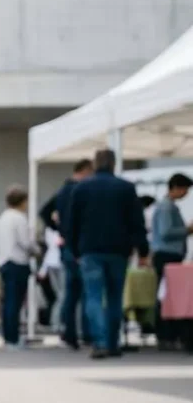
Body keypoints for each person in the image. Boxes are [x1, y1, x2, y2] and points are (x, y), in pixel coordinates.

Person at [67, 149, 149, 359]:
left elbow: (71, 223)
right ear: (113, 164)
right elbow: (137, 222)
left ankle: (100, 342)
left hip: (90, 250)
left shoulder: (81, 188)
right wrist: (143, 250)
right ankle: (113, 343)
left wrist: (74, 250)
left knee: (93, 297)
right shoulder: (126, 188)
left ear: (95, 164)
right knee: (115, 297)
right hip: (118, 251)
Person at [39, 159, 94, 349]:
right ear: (85, 171)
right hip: (79, 245)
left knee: (71, 292)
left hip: (67, 246)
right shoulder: (80, 191)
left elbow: (44, 212)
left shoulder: (63, 191)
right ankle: (86, 332)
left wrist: (59, 228)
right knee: (85, 292)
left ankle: (69, 332)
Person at [149, 172, 193, 349]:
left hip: (167, 254)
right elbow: (166, 232)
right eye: (185, 189)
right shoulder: (167, 207)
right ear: (175, 188)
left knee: (167, 295)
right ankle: (166, 334)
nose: (186, 194)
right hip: (167, 255)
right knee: (168, 296)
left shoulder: (167, 206)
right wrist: (187, 230)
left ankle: (168, 334)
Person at [0, 187, 36, 349]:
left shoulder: (3, 217)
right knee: (16, 302)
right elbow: (25, 242)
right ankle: (14, 338)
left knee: (8, 302)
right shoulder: (19, 218)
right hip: (18, 263)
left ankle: (8, 337)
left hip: (5, 262)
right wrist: (36, 250)